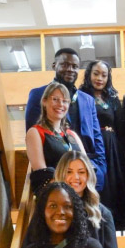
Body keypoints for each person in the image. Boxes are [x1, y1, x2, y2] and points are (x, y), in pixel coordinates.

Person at [25, 48, 106, 192]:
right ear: (54, 65)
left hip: (88, 168)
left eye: (74, 66)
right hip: (55, 172)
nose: (70, 69)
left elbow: (96, 136)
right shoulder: (38, 94)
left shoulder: (86, 99)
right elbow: (34, 137)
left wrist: (100, 167)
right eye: (65, 65)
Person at [79, 60, 125, 231]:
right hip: (93, 145)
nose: (99, 78)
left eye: (104, 75)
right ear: (89, 74)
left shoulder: (112, 98)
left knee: (116, 187)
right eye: (96, 73)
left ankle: (110, 224)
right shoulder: (82, 96)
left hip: (114, 147)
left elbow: (121, 128)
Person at [26, 82, 83, 195]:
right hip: (55, 195)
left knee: (105, 212)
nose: (60, 104)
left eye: (65, 101)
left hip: (79, 192)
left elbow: (87, 167)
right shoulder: (35, 133)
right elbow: (42, 173)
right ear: (44, 101)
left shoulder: (72, 135)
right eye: (55, 99)